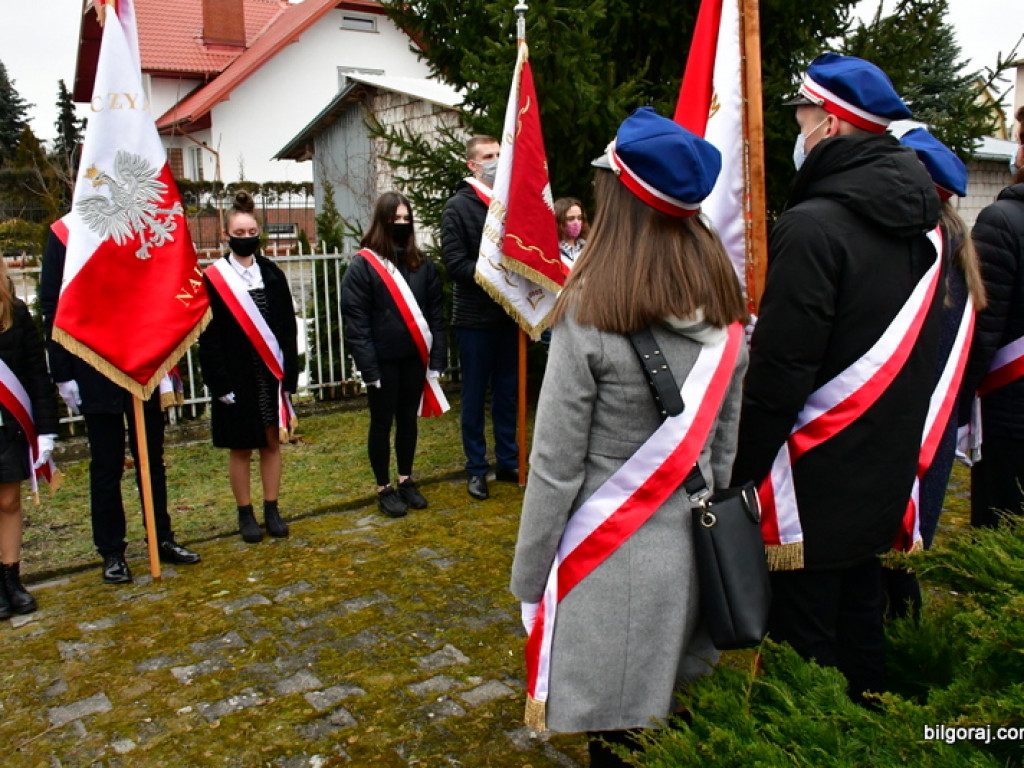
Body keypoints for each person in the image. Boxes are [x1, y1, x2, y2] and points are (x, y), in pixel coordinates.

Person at [510, 108, 749, 767]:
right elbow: (722, 452)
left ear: (619, 200)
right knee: (676, 730)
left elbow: (554, 467)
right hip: (693, 559)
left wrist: (530, 581)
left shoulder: (590, 306)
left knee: (617, 743)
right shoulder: (729, 302)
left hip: (605, 563)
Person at [729, 53, 943, 703]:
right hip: (882, 467)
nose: (796, 126)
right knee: (861, 628)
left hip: (813, 482)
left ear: (829, 123)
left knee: (805, 649)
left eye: (800, 114)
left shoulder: (813, 225)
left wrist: (741, 467)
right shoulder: (923, 223)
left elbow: (783, 369)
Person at [40, 228, 202, 584]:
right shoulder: (65, 234)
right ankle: (112, 552)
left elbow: (159, 284)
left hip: (142, 356)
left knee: (152, 460)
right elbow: (53, 303)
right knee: (106, 464)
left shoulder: (136, 222)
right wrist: (63, 371)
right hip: (94, 362)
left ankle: (161, 538)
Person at [882, 128, 987, 619]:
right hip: (934, 431)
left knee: (896, 554)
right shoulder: (956, 250)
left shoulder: (928, 260)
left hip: (911, 432)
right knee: (905, 556)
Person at [199, 191, 298, 543]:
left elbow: (288, 327)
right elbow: (207, 336)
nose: (246, 238)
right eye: (239, 233)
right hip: (235, 376)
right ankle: (246, 514)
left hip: (269, 374)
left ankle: (272, 508)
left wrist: (290, 376)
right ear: (226, 235)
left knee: (271, 443)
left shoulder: (271, 273)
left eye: (251, 231)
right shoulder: (213, 278)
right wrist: (219, 383)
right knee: (240, 447)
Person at [340, 192, 447, 518]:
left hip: (414, 357)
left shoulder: (421, 263)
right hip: (383, 362)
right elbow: (356, 323)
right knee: (381, 423)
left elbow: (435, 314)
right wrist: (368, 369)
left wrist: (437, 359)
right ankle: (384, 487)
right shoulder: (364, 266)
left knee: (407, 422)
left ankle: (405, 479)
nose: (401, 224)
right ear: (382, 222)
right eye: (395, 219)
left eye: (406, 219)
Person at [441, 135, 518, 501]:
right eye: (489, 156)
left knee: (507, 395)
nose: (497, 161)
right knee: (474, 397)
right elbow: (454, 264)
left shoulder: (510, 201)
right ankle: (476, 469)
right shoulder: (457, 206)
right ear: (472, 164)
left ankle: (508, 460)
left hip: (509, 314)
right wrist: (495, 274)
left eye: (500, 155)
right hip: (474, 318)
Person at [959, 109, 1024, 529]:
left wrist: (956, 409)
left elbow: (980, 333)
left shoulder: (1002, 222)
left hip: (1012, 419)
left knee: (1005, 531)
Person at [0, 259, 58, 617]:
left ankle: (11, 577)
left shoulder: (14, 310)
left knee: (8, 502)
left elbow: (37, 371)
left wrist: (47, 428)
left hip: (7, 424)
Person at [554, 197, 588, 271]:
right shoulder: (553, 251)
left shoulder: (588, 248)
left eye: (579, 218)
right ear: (559, 221)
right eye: (571, 219)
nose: (576, 222)